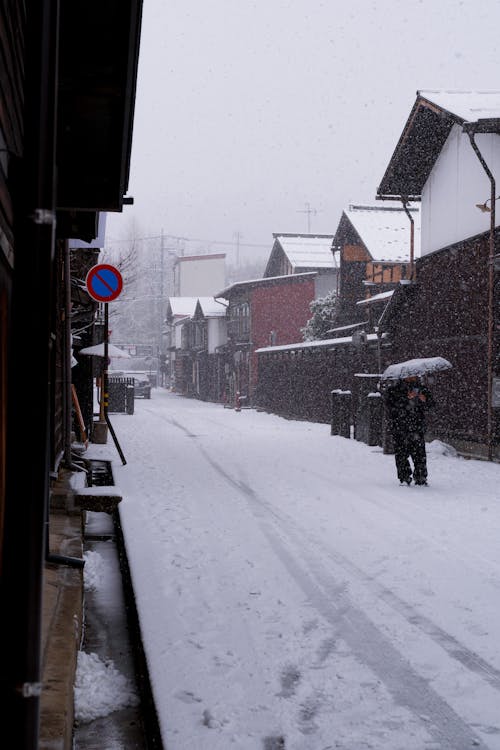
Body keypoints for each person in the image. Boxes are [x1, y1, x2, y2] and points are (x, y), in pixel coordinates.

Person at [384, 375, 434, 486]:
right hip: (400, 427)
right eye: (410, 376)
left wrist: (424, 400)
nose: (412, 377)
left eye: (414, 376)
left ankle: (421, 477)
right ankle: (404, 477)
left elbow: (431, 405)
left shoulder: (422, 389)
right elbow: (390, 406)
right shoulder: (394, 390)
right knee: (401, 453)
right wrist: (406, 399)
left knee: (420, 454)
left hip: (417, 427)